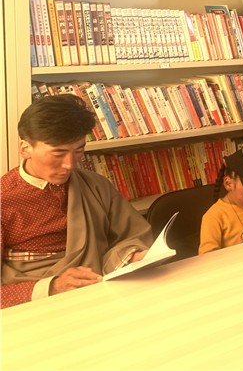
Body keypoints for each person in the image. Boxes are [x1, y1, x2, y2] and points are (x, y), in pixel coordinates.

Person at [0, 95, 153, 309]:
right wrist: (52, 287)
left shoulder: (96, 185)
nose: (70, 164)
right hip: (35, 305)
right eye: (58, 153)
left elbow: (133, 235)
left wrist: (133, 256)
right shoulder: (4, 198)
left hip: (101, 290)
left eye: (79, 151)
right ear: (25, 148)